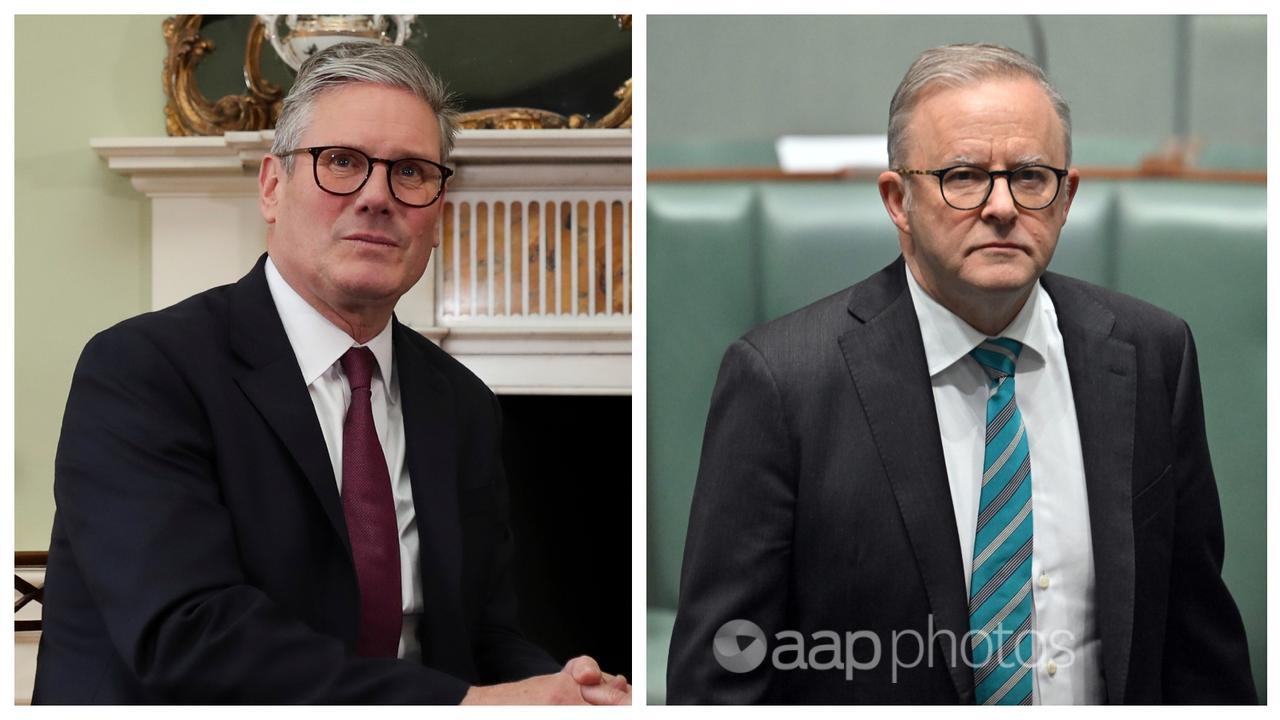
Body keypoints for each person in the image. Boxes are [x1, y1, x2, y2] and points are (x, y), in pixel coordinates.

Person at [33, 42, 629, 705]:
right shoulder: (143, 372)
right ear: (271, 185)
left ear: (438, 215)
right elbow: (188, 636)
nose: (377, 196)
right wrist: (466, 706)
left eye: (410, 172)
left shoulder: (461, 404)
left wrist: (566, 689)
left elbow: (482, 633)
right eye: (341, 162)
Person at [667, 43, 1255, 704]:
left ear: (1066, 197)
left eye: (1030, 176)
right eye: (964, 176)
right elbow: (720, 681)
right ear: (898, 200)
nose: (1002, 205)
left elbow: (1200, 652)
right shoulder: (783, 382)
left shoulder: (1153, 356)